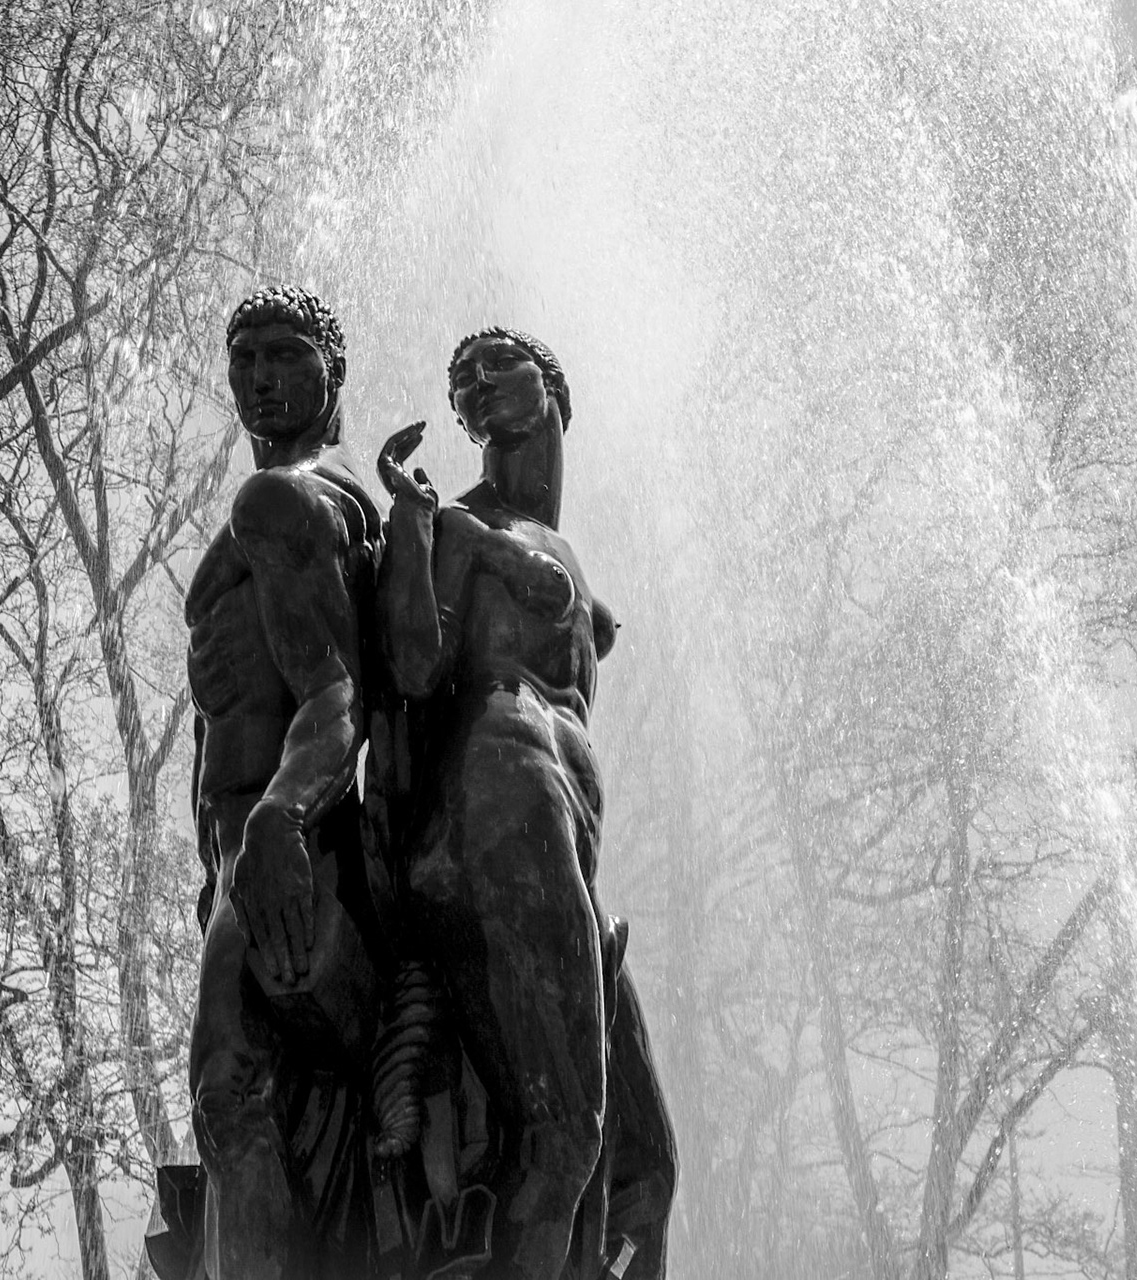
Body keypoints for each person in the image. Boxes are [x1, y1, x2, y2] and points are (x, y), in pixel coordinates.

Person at [376, 328, 675, 1279]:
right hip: (502, 794)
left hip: (559, 838)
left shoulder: (564, 549)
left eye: (492, 366)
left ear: (550, 385)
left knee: (646, 1169)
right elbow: (413, 668)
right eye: (460, 382)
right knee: (567, 1134)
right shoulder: (462, 523)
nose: (471, 384)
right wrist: (418, 528)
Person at [182, 285, 382, 1279]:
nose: (259, 376)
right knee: (262, 1120)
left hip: (284, 849)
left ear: (332, 371)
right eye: (244, 356)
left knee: (229, 1089)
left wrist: (278, 822)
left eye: (284, 353)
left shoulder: (283, 500)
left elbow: (337, 692)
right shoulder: (313, 501)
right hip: (247, 855)